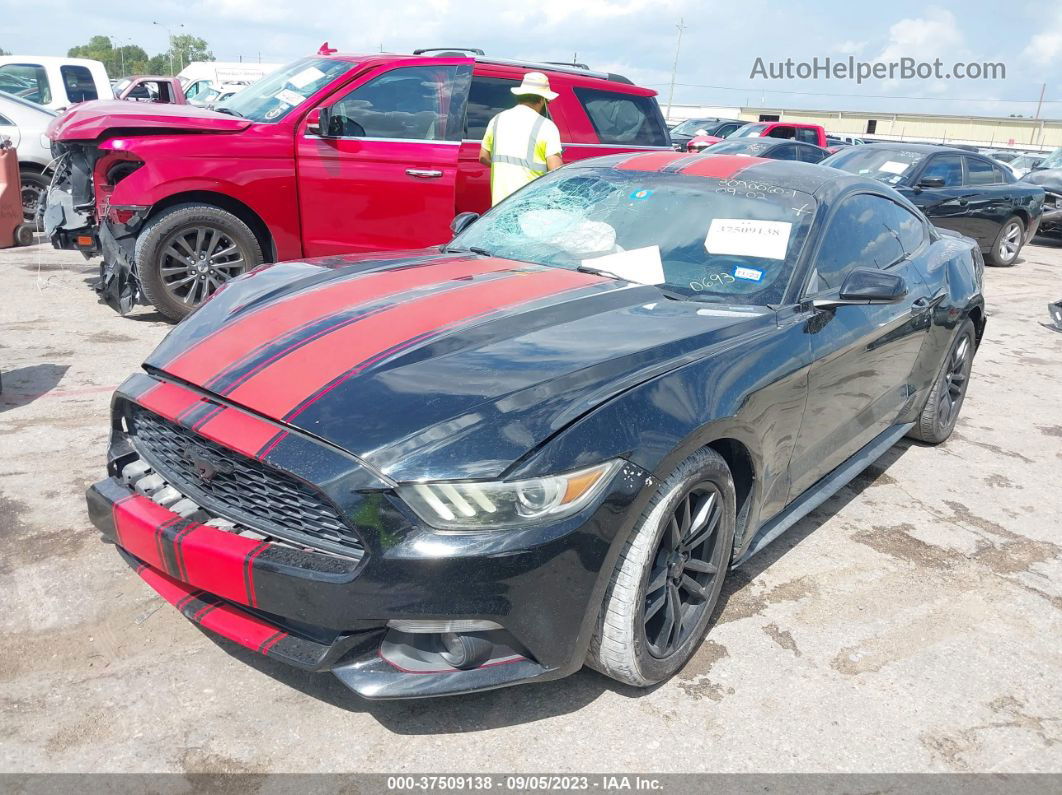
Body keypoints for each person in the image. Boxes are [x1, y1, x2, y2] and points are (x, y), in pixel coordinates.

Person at [479, 72, 564, 205]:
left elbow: (483, 157)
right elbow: (556, 170)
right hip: (531, 206)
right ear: (542, 100)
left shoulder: (497, 120)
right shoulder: (546, 126)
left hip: (499, 206)